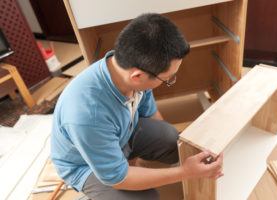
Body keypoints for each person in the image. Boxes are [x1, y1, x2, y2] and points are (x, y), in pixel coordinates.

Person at [51, 13, 223, 200]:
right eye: (167, 79)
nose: (170, 80)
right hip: (85, 165)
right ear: (137, 76)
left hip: (122, 134)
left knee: (171, 138)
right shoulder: (87, 115)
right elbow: (118, 178)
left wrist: (184, 147)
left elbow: (151, 115)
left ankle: (126, 160)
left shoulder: (128, 71)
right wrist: (185, 172)